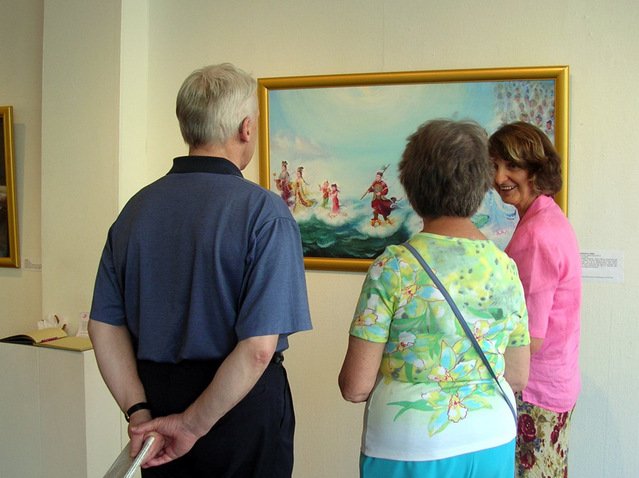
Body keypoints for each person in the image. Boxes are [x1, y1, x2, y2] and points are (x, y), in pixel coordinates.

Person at [89, 63, 312, 478]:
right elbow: (258, 349)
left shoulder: (134, 211)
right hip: (238, 411)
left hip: (157, 409)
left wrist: (139, 412)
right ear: (246, 128)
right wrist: (191, 425)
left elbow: (103, 326)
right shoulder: (265, 213)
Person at [339, 119, 530, 478]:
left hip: (409, 444)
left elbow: (355, 386)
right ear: (482, 185)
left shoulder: (393, 267)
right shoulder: (506, 268)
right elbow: (518, 377)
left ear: (412, 186)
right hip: (492, 438)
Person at [489, 121, 581, 477]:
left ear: (536, 168)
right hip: (555, 382)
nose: (499, 177)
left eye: (511, 165)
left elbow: (531, 338)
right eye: (494, 165)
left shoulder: (537, 233)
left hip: (535, 392)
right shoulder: (547, 216)